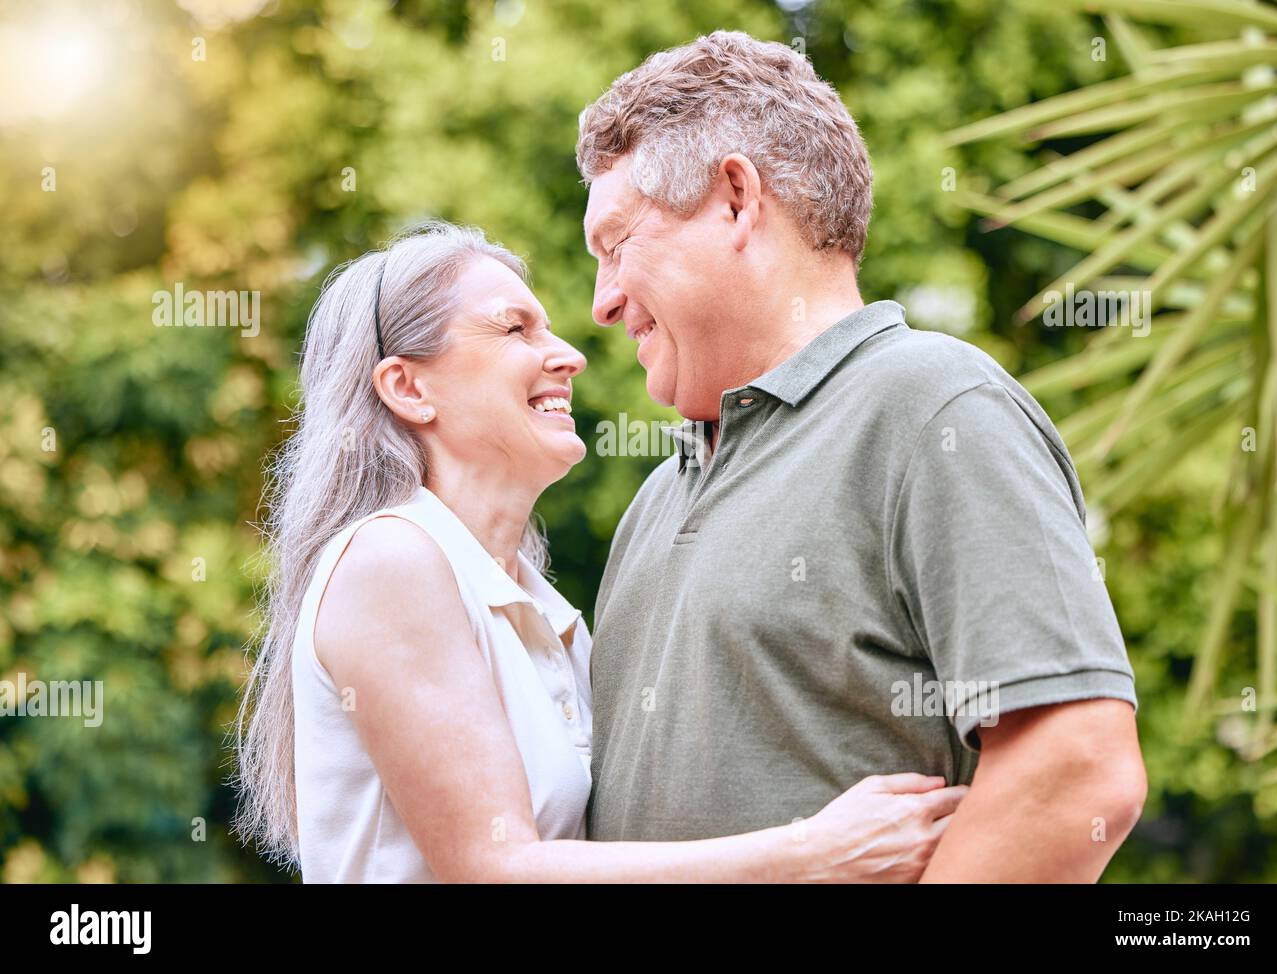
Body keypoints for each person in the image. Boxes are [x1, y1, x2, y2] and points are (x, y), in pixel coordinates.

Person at [233, 221, 967, 882]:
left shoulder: (537, 604)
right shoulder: (389, 559)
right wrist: (813, 854)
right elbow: (496, 868)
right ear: (408, 387)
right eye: (515, 329)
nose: (569, 355)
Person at [576, 30, 1147, 881]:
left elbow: (1079, 772)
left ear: (736, 198)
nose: (602, 302)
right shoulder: (656, 496)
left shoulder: (930, 405)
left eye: (617, 246)